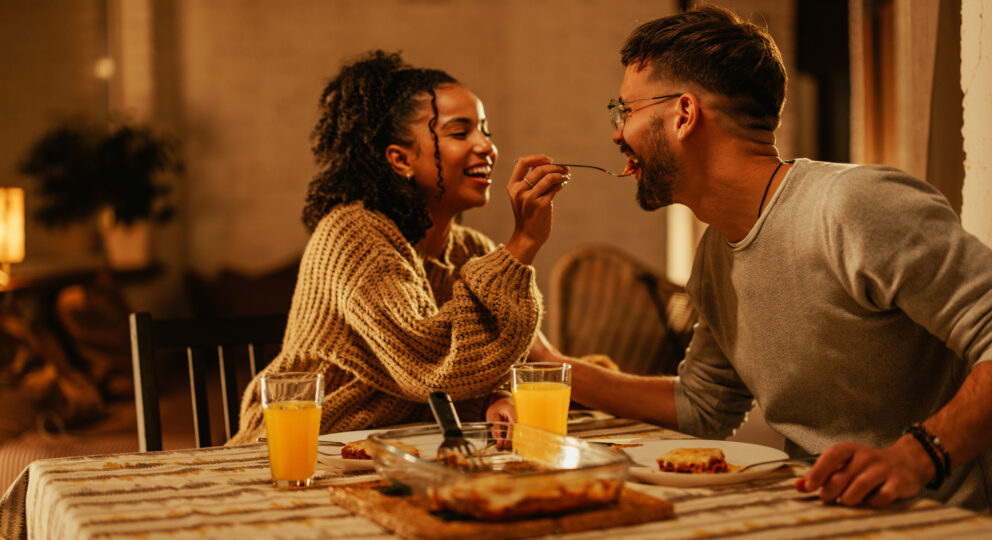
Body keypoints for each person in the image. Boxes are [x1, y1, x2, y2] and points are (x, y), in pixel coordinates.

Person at [495, 5, 992, 512]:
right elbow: (701, 407)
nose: (617, 133)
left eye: (626, 111)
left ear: (684, 115)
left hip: (942, 520)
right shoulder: (715, 255)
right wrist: (552, 364)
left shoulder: (854, 206)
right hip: (819, 513)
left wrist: (916, 457)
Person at [228, 50, 573, 445]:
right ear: (400, 159)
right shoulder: (352, 235)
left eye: (486, 131)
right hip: (298, 451)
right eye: (461, 132)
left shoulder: (471, 251)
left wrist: (492, 399)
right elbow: (432, 366)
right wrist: (523, 242)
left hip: (400, 452)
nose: (486, 147)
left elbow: (490, 365)